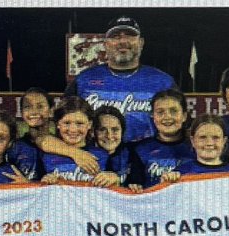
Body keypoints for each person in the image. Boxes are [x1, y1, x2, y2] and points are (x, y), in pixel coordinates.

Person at [65, 15, 177, 143]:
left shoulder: (163, 82)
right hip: (95, 158)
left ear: (141, 43)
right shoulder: (83, 80)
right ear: (105, 44)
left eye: (129, 35)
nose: (123, 41)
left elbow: (180, 127)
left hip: (148, 159)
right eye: (115, 36)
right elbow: (62, 123)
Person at [38, 96, 119, 188]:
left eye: (79, 123)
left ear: (89, 124)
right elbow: (33, 186)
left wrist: (115, 179)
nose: (73, 130)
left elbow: (117, 189)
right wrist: (45, 181)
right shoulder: (46, 155)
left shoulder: (103, 154)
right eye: (67, 123)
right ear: (58, 124)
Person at [128, 89, 196, 190]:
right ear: (153, 116)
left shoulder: (196, 147)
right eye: (160, 112)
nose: (167, 117)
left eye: (173, 111)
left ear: (184, 116)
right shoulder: (140, 149)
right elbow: (135, 184)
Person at [160, 114, 229, 183]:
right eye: (202, 137)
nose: (209, 143)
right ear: (193, 141)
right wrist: (165, 184)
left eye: (215, 137)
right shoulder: (180, 173)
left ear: (224, 141)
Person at [92, 105, 134, 186]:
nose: (109, 136)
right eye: (102, 130)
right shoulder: (84, 155)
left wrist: (118, 180)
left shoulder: (133, 153)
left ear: (122, 131)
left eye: (115, 130)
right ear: (93, 132)